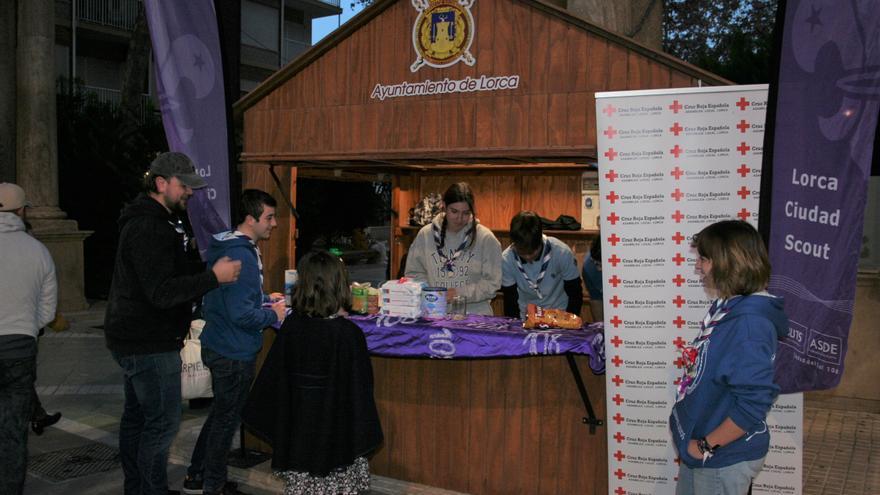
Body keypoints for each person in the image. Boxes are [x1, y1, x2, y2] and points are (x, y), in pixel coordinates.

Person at [104, 152, 241, 495]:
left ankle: (138, 487)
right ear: (161, 183)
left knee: (138, 420)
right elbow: (161, 292)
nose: (190, 194)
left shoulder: (154, 221)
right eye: (184, 186)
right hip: (148, 341)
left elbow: (163, 278)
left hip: (136, 337)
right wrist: (213, 277)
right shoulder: (150, 226)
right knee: (162, 425)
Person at [242, 250, 383, 495]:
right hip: (338, 437)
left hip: (299, 435)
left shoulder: (292, 326)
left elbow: (275, 382)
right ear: (340, 285)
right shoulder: (348, 335)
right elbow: (360, 391)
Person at [670, 220, 787, 495]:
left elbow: (753, 403)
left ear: (726, 263)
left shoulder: (750, 324)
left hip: (721, 457)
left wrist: (706, 446)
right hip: (705, 448)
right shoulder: (729, 307)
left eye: (703, 259)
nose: (697, 266)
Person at [182, 190, 287, 495]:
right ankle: (213, 485)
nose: (274, 224)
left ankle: (197, 476)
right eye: (269, 217)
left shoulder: (230, 245)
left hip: (221, 343)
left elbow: (231, 295)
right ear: (251, 219)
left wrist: (266, 299)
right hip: (233, 350)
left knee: (219, 416)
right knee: (225, 422)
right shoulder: (241, 253)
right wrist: (273, 316)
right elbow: (242, 315)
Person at [0, 183, 57, 495]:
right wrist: (23, 327)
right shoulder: (38, 250)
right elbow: (47, 312)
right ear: (21, 211)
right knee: (12, 432)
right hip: (19, 349)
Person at [404, 182, 502, 315]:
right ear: (444, 206)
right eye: (454, 211)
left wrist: (458, 293)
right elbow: (413, 274)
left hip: (474, 317)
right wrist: (432, 295)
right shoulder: (426, 235)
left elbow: (492, 284)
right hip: (434, 314)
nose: (459, 218)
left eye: (466, 213)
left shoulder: (486, 238)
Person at [501, 211, 582, 319]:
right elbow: (510, 300)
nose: (528, 257)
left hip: (560, 316)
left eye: (532, 252)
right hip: (526, 318)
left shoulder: (561, 252)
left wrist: (570, 322)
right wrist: (514, 327)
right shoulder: (507, 259)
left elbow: (575, 294)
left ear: (540, 241)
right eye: (522, 253)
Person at [581, 235, 604, 322]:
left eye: (602, 265)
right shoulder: (588, 268)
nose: (599, 269)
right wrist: (600, 327)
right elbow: (596, 299)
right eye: (596, 263)